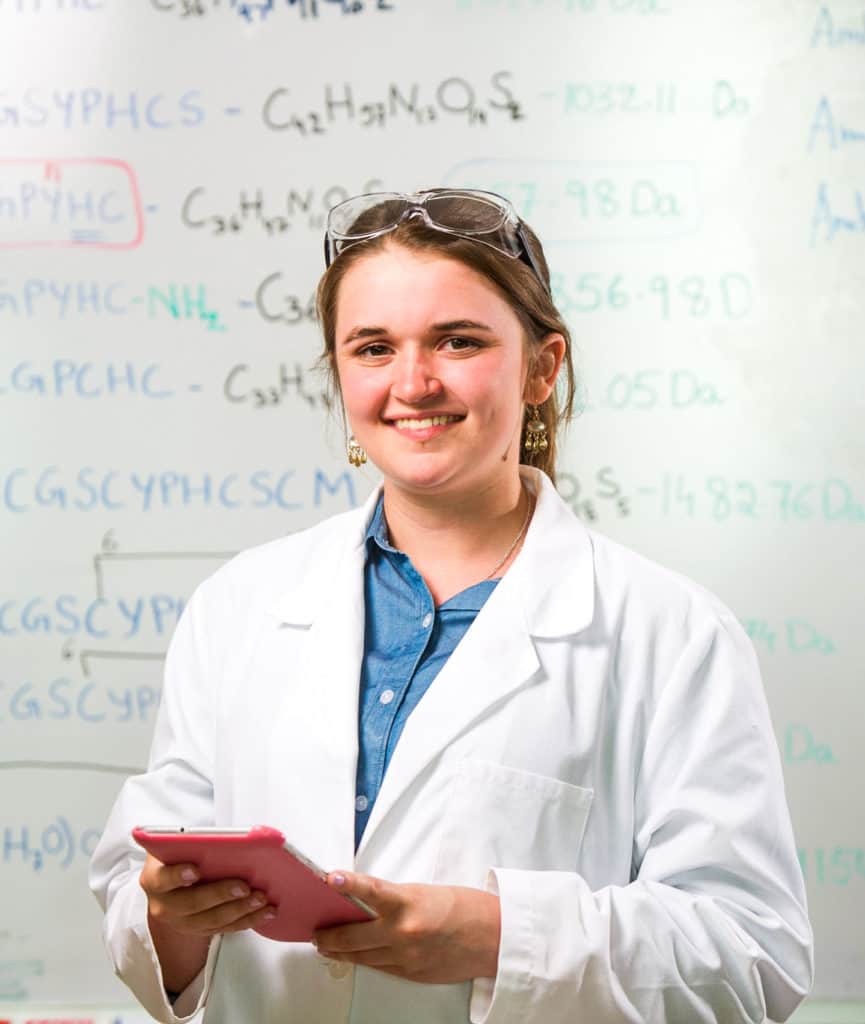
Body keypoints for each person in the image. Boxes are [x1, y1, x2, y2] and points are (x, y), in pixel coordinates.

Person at [89, 188, 814, 1023]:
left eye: (457, 341)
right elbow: (133, 899)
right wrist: (167, 917)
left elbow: (752, 953)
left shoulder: (670, 633)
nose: (412, 382)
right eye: (371, 348)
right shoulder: (239, 606)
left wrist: (499, 936)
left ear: (542, 368)